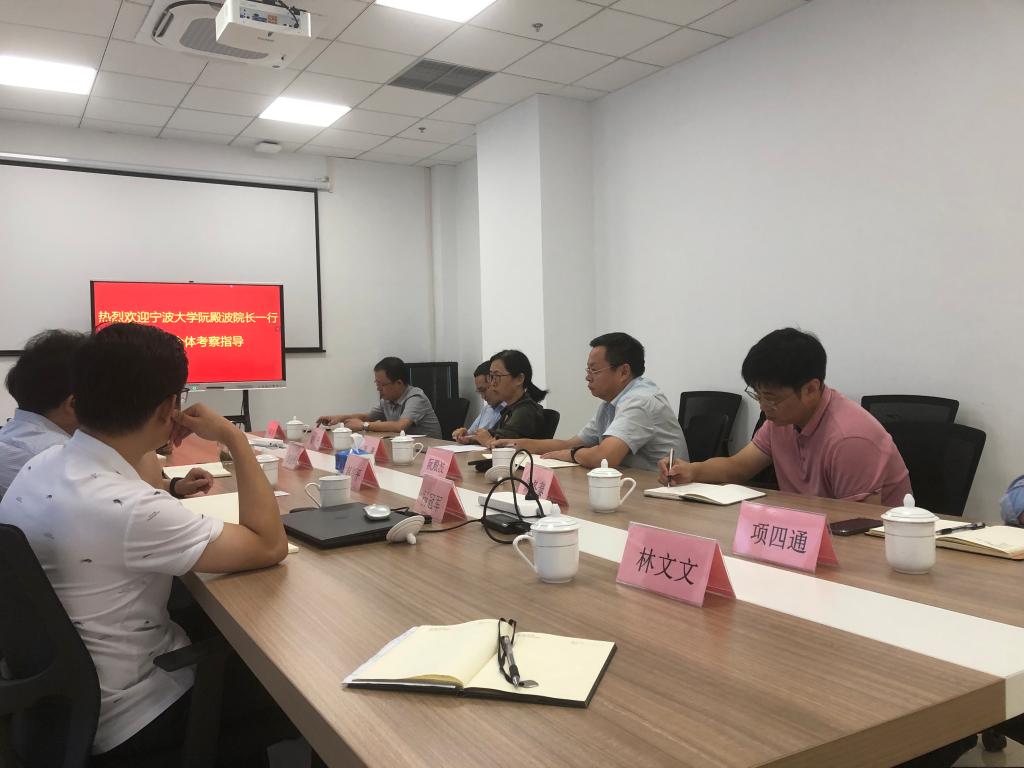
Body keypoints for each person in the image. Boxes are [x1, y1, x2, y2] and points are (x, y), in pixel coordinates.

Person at [0, 323, 293, 765]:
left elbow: (142, 481)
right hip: (133, 712)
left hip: (61, 706)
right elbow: (269, 545)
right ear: (168, 408)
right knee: (294, 684)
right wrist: (233, 437)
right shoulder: (130, 510)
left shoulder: (43, 463)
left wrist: (154, 427)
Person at [660, 328, 911, 506]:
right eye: (757, 395)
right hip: (808, 530)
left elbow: (858, 523)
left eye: (771, 398)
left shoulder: (850, 439)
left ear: (811, 389)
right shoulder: (781, 421)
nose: (763, 407)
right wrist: (692, 471)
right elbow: (738, 468)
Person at [0, 329, 211, 500]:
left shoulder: (13, 436)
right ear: (74, 403)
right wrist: (145, 421)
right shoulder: (59, 457)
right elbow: (144, 496)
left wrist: (174, 486)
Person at [494, 333, 686, 471]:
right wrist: (515, 444)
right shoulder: (609, 405)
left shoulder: (641, 401)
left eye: (594, 370)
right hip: (633, 485)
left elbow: (605, 458)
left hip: (663, 493)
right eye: (588, 370)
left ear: (623, 372)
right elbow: (569, 443)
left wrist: (572, 454)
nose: (587, 377)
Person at [316, 356, 442, 439]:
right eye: (377, 384)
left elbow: (399, 426)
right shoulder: (387, 400)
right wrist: (340, 418)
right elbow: (368, 417)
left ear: (398, 383)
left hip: (428, 451)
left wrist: (363, 426)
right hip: (405, 448)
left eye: (382, 385)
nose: (378, 389)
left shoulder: (416, 397)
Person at [474, 350, 547, 444]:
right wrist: (471, 438)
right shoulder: (510, 408)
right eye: (491, 377)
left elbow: (503, 444)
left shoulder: (525, 411)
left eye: (497, 376)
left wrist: (487, 440)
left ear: (519, 379)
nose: (492, 383)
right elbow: (494, 434)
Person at [452, 361, 504, 443]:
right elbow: (473, 434)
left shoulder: (511, 410)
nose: (483, 397)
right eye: (480, 392)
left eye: (483, 390)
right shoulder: (486, 409)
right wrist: (465, 435)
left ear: (495, 382)